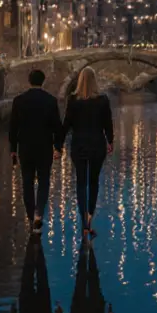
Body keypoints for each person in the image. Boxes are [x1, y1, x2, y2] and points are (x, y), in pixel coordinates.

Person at [9, 70, 64, 232]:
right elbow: (57, 127)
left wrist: (13, 149)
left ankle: (31, 217)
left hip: (25, 148)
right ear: (43, 81)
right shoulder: (50, 101)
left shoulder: (18, 101)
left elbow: (13, 128)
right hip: (44, 148)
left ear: (29, 81)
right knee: (44, 181)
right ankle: (39, 213)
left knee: (27, 182)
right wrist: (58, 147)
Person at [63, 68, 114, 237]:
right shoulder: (103, 100)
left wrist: (57, 144)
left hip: (79, 145)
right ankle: (90, 216)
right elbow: (108, 123)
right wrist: (110, 141)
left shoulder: (73, 100)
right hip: (97, 144)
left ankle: (83, 221)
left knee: (80, 183)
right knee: (93, 182)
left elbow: (67, 124)